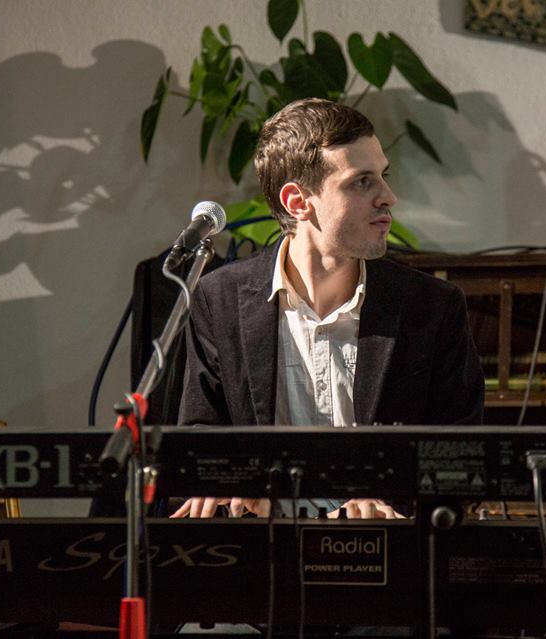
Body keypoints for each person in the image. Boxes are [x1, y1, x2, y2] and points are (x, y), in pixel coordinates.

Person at [171, 98, 483, 519]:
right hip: (265, 545)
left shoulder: (432, 306)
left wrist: (392, 503)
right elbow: (200, 435)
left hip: (388, 548)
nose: (388, 197)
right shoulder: (219, 298)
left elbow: (463, 460)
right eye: (362, 182)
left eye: (384, 177)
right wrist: (226, 483)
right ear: (298, 201)